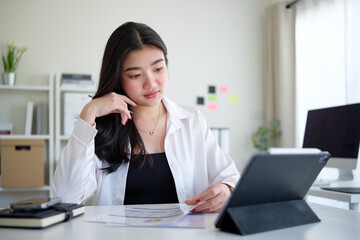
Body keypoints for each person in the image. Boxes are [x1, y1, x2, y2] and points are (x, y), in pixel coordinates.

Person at [53, 21, 240, 213]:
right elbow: (66, 198)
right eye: (135, 75)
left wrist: (226, 190)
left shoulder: (191, 121)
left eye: (158, 69)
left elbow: (229, 176)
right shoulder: (100, 128)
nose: (151, 83)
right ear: (117, 78)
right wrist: (88, 114)